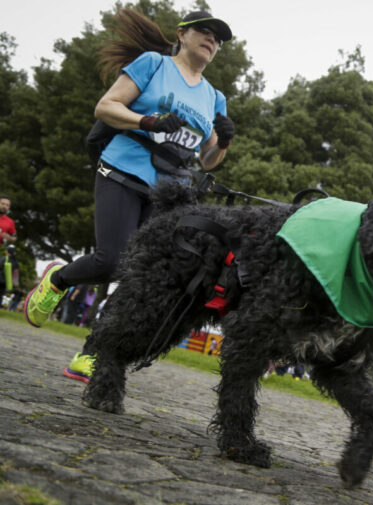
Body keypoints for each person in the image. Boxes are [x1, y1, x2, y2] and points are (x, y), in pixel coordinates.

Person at [22, 9, 234, 384]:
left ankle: (92, 354)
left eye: (218, 38)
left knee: (140, 278)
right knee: (111, 260)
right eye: (205, 31)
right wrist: (147, 121)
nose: (212, 40)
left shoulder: (214, 97)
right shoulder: (153, 64)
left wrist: (226, 140)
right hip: (123, 172)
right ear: (182, 35)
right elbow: (106, 106)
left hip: (170, 195)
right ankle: (58, 280)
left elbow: (208, 159)